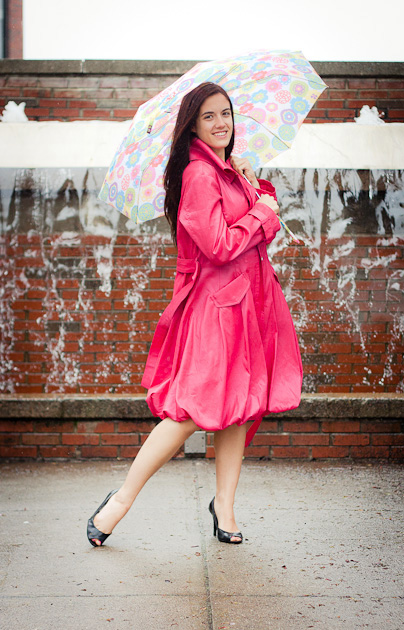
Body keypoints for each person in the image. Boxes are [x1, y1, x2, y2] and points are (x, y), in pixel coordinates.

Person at [87, 82, 302, 547]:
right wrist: (263, 210)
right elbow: (220, 245)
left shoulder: (225, 171)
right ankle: (119, 501)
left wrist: (252, 182)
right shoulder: (199, 175)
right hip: (218, 307)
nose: (221, 122)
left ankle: (224, 506)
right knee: (190, 411)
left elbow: (257, 232)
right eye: (209, 116)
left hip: (250, 301)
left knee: (240, 409)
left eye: (226, 113)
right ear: (192, 124)